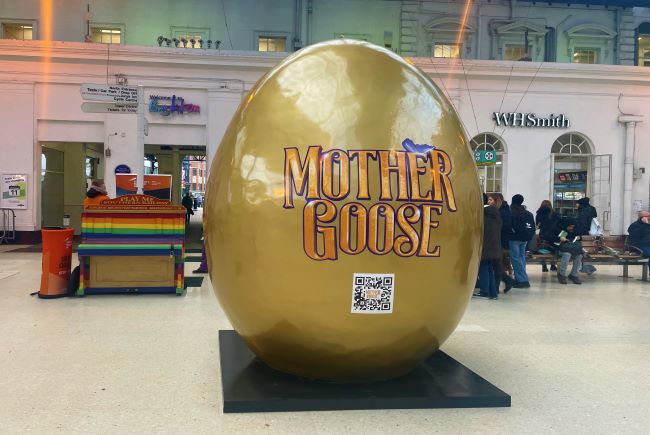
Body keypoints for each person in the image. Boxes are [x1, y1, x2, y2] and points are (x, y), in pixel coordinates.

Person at [475, 194, 502, 300]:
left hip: (485, 245)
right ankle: (493, 292)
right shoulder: (495, 212)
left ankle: (484, 291)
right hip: (494, 245)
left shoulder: (483, 213)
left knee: (483, 268)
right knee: (490, 268)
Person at [543, 217, 583, 285]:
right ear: (566, 225)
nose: (571, 228)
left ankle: (574, 275)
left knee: (579, 255)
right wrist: (559, 238)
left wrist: (579, 237)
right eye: (570, 226)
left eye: (572, 227)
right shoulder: (556, 228)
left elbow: (578, 235)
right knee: (567, 254)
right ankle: (562, 274)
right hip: (558, 248)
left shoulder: (573, 229)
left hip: (570, 247)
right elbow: (547, 236)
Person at [509, 194, 536, 288]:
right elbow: (533, 226)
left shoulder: (512, 212)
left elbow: (509, 226)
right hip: (525, 238)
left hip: (514, 238)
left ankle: (523, 280)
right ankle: (519, 278)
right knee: (521, 258)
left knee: (515, 259)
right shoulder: (528, 213)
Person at [492, 193, 515, 293]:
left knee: (497, 264)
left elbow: (503, 229)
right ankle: (502, 283)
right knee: (497, 263)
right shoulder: (505, 211)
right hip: (501, 242)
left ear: (497, 200)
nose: (489, 202)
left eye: (490, 200)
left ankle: (499, 285)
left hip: (500, 242)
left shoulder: (501, 212)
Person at [535, 200, 559, 272]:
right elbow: (557, 224)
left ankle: (544, 266)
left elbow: (538, 225)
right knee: (553, 249)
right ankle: (553, 265)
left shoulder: (539, 214)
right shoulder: (554, 213)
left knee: (542, 249)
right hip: (553, 234)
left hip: (542, 234)